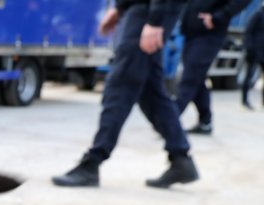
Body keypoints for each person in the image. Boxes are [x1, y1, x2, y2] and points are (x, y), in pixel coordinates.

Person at [52, 0, 199, 190]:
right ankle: (181, 159)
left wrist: (155, 19)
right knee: (150, 92)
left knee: (120, 85)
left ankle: (93, 162)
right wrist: (120, 7)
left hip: (150, 10)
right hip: (143, 9)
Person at [175, 0, 250, 134]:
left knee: (190, 78)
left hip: (209, 33)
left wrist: (217, 17)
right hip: (191, 30)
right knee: (197, 77)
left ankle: (169, 120)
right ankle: (205, 122)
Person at [242, 2, 264, 109]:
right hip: (254, 52)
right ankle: (244, 101)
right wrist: (249, 48)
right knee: (249, 76)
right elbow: (248, 32)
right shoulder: (258, 14)